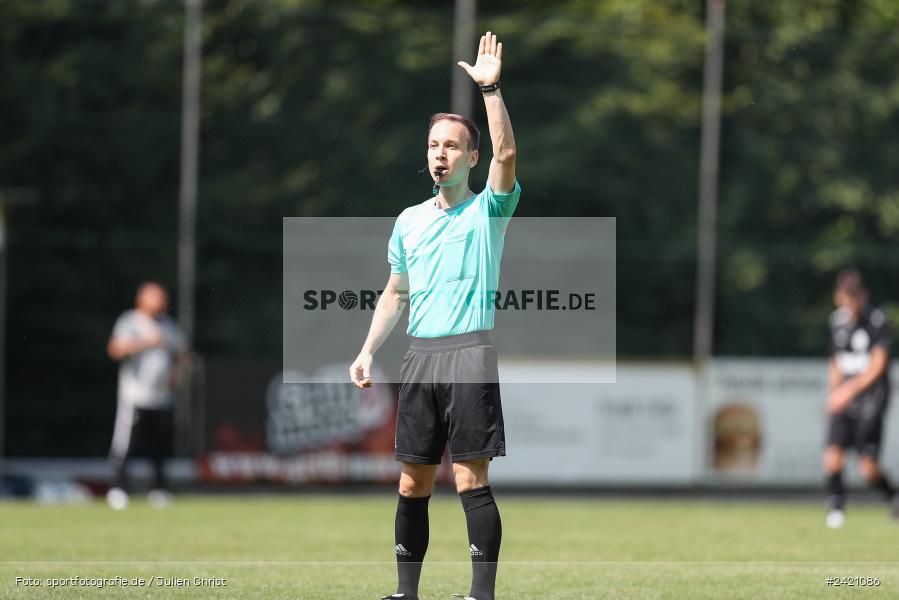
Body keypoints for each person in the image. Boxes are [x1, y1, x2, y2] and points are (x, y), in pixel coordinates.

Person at [349, 31, 518, 600]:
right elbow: (396, 292)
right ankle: (405, 593)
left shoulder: (489, 210)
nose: (439, 154)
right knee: (412, 479)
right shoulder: (409, 220)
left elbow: (509, 155)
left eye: (450, 145)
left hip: (469, 351)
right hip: (420, 355)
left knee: (470, 479)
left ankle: (481, 595)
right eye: (432, 146)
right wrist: (368, 349)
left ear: (471, 158)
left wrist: (491, 90)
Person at [824, 269, 898, 528]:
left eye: (853, 298)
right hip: (845, 399)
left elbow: (878, 365)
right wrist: (834, 392)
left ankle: (893, 496)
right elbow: (835, 361)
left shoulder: (877, 321)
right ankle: (836, 508)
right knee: (833, 455)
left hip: (871, 401)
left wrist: (848, 390)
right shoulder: (836, 321)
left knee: (868, 468)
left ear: (863, 296)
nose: (848, 304)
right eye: (844, 298)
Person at [106, 281, 188, 509]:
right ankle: (118, 488)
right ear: (141, 299)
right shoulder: (130, 322)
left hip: (161, 398)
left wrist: (176, 376)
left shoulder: (169, 326)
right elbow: (115, 349)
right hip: (135, 397)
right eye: (156, 297)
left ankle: (159, 489)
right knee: (126, 445)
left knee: (160, 445)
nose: (162, 301)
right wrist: (145, 342)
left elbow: (182, 353)